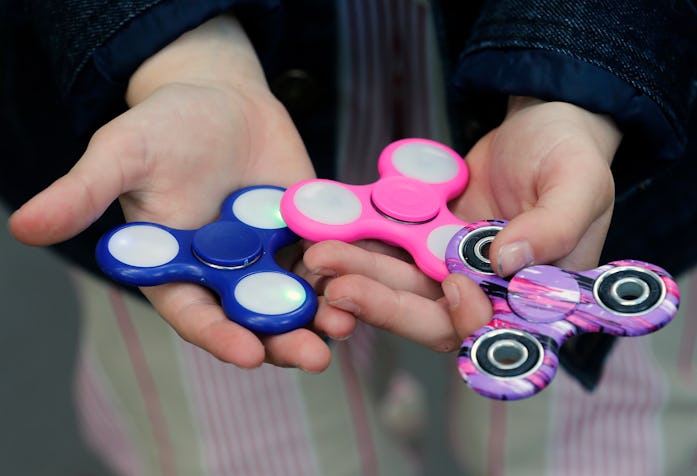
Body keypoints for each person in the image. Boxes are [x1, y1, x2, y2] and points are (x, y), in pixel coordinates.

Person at [2, 1, 696, 474]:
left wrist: (571, 78)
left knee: (606, 447)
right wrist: (178, 57)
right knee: (249, 454)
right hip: (195, 141)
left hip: (599, 138)